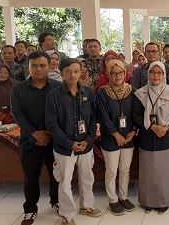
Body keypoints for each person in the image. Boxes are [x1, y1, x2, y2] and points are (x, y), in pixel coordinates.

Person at [46, 58, 102, 225]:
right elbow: (51, 124)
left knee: (87, 177)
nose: (73, 74)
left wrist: (89, 139)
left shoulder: (89, 93)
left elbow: (93, 119)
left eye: (76, 71)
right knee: (64, 182)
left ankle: (86, 206)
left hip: (85, 144)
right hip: (64, 147)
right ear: (62, 73)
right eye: (68, 71)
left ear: (81, 72)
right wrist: (69, 143)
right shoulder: (53, 95)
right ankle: (67, 213)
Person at [11, 51, 62, 225]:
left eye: (42, 65)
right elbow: (18, 114)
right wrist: (35, 133)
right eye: (34, 65)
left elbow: (61, 112)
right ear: (28, 67)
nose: (38, 69)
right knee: (30, 177)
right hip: (29, 140)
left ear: (50, 66)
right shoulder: (18, 89)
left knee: (56, 175)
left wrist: (48, 133)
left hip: (54, 140)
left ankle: (56, 202)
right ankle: (30, 209)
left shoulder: (58, 87)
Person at [134, 61, 169, 214]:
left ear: (164, 75)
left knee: (166, 171)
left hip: (167, 137)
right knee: (148, 171)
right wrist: (152, 126)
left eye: (159, 73)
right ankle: (149, 201)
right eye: (152, 72)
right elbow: (135, 115)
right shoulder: (140, 93)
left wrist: (168, 127)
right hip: (147, 136)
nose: (156, 75)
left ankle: (165, 200)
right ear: (148, 74)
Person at [97, 60, 137, 216]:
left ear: (125, 73)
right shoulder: (102, 92)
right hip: (110, 138)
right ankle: (112, 200)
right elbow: (103, 116)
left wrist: (133, 131)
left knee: (125, 170)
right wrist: (115, 134)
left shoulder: (131, 90)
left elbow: (135, 113)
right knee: (112, 170)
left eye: (120, 72)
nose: (118, 76)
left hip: (128, 137)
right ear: (108, 74)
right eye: (114, 73)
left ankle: (123, 197)